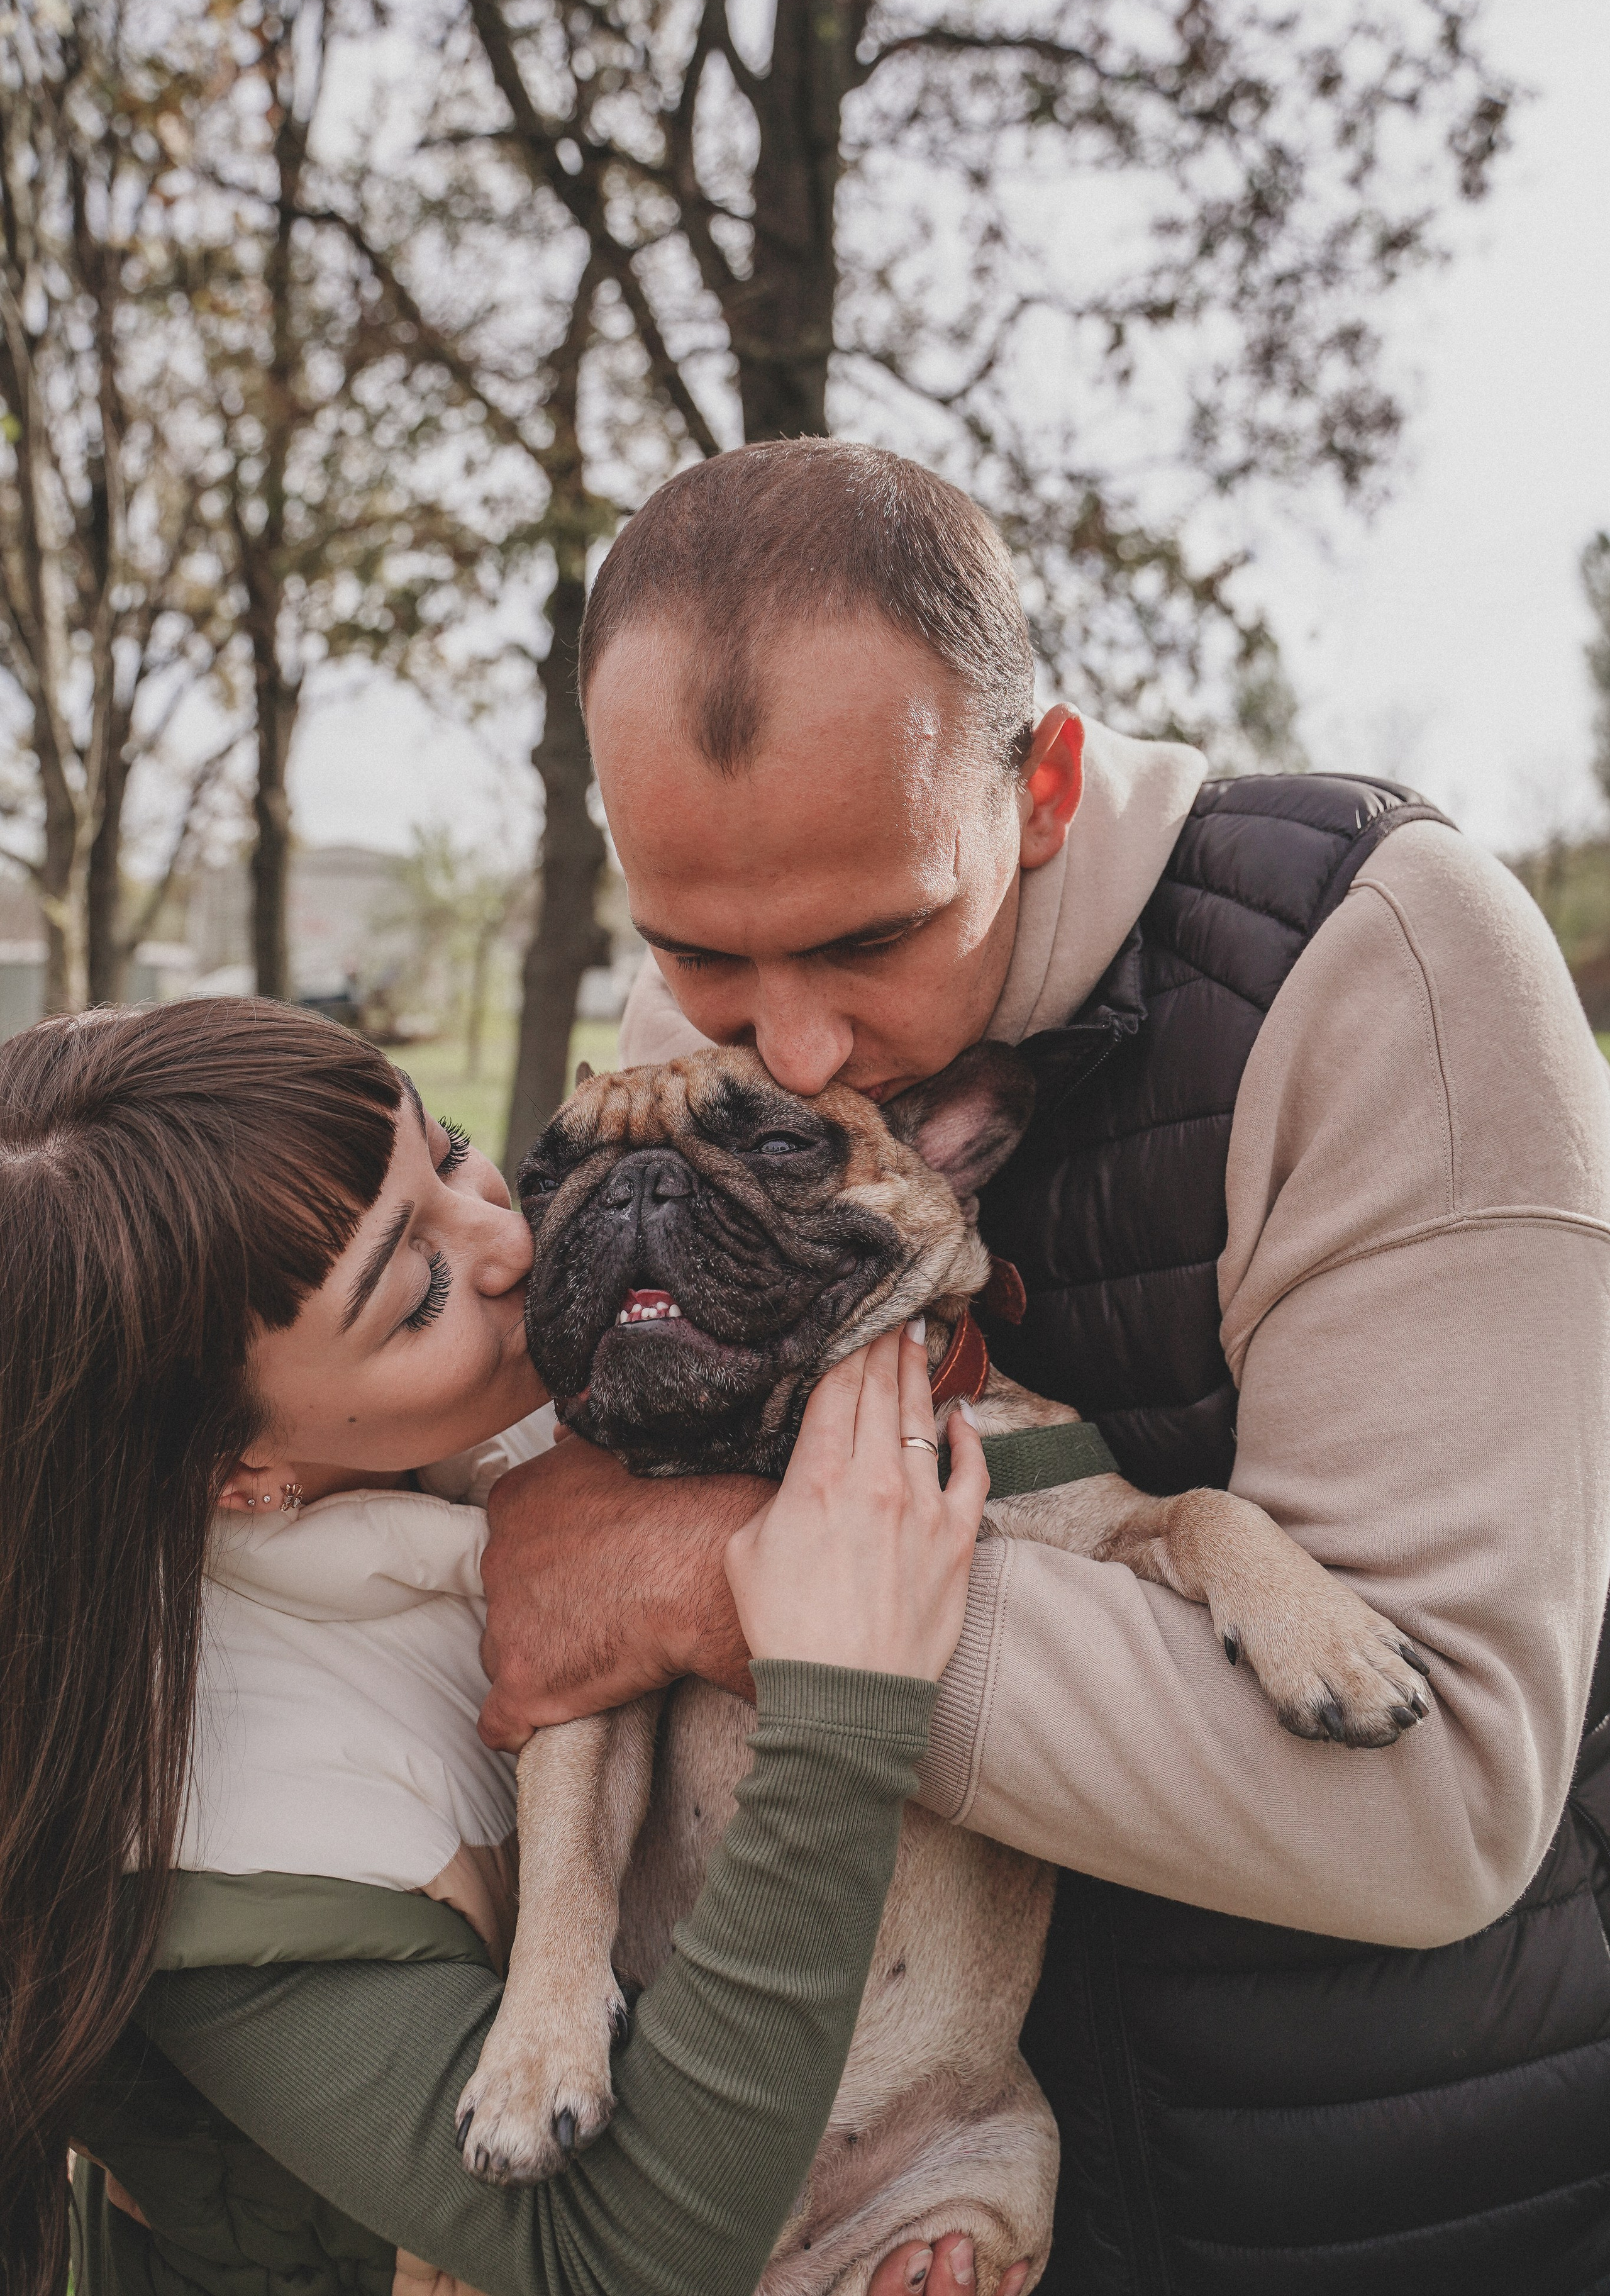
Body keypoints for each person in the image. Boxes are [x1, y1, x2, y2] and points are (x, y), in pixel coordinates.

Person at [476, 438, 1610, 2295]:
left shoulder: (1385, 969)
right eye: (697, 954)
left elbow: (1446, 1801)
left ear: (1046, 784)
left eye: (871, 938)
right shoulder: (709, 1025)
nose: (792, 1042)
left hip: (1360, 2204)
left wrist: (728, 1585)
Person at [0, 998, 992, 2296]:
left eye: (453, 1152)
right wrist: (833, 1720)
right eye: (415, 1291)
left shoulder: (518, 1418)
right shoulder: (202, 1832)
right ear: (231, 1473)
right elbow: (611, 2259)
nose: (510, 1242)